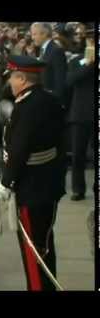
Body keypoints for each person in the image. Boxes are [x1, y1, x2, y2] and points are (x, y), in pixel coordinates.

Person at [0, 55, 66, 291]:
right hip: (49, 185)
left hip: (30, 188)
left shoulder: (26, 108)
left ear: (22, 79)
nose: (10, 84)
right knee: (45, 242)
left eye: (13, 78)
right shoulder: (50, 100)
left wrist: (6, 182)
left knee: (33, 249)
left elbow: (19, 149)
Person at [66, 29, 95, 201]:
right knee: (78, 153)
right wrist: (89, 64)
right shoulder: (77, 60)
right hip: (80, 113)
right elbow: (70, 80)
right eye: (90, 40)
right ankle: (78, 189)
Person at [30, 22, 67, 106]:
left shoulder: (56, 50)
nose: (32, 38)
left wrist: (55, 102)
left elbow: (60, 80)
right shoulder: (43, 49)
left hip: (52, 102)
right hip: (45, 99)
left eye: (34, 34)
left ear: (44, 34)